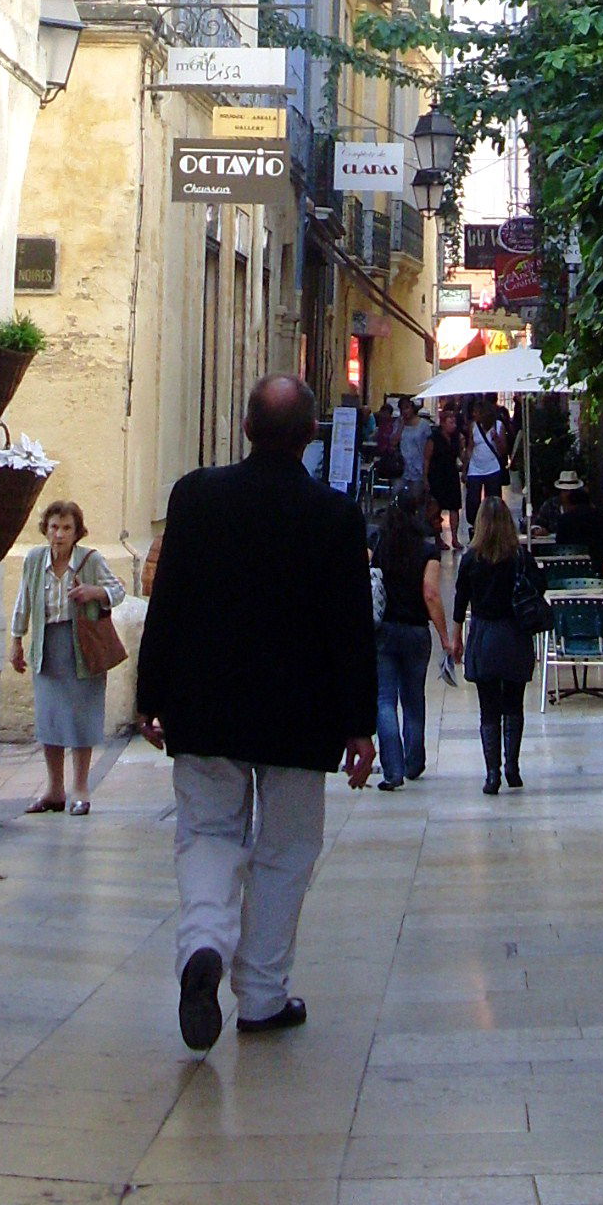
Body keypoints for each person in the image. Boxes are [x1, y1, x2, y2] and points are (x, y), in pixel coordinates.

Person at [137, 374, 378, 1051]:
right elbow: (349, 628)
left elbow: (169, 602)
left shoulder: (195, 498)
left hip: (205, 706)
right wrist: (359, 723)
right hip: (300, 719)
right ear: (310, 436)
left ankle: (203, 945)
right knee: (287, 851)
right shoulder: (333, 517)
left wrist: (149, 695)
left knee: (208, 834)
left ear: (245, 430)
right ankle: (264, 995)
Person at [9, 498, 127, 814]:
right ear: (46, 530)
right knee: (50, 719)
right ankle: (54, 790)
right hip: (47, 645)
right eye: (54, 527)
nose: (59, 534)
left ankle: (81, 788)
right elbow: (24, 601)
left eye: (66, 528)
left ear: (77, 532)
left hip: (82, 647)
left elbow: (118, 591)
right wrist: (16, 640)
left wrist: (93, 592)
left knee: (80, 718)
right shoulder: (34, 560)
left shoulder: (90, 560)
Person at [449, 492, 535, 795]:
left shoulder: (472, 559)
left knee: (488, 708)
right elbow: (541, 586)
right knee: (514, 703)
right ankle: (513, 767)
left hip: (484, 636)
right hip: (515, 636)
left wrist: (455, 638)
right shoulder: (521, 557)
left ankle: (492, 774)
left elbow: (460, 600)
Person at [371, 489, 451, 790]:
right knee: (414, 698)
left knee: (384, 700)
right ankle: (414, 761)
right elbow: (430, 594)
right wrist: (445, 637)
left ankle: (392, 770)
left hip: (384, 630)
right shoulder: (427, 551)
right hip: (416, 632)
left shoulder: (379, 546)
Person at [553, 471, 603, 579]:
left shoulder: (565, 520)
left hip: (570, 570)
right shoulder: (602, 516)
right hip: (598, 569)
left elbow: (560, 544)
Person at [464, 398, 506, 529]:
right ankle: (475, 524)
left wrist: (497, 439)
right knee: (472, 500)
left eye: (476, 412)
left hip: (492, 468)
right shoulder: (473, 426)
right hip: (475, 468)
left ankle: (492, 524)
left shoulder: (498, 426)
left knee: (493, 499)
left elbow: (504, 450)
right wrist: (465, 468)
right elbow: (470, 447)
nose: (474, 414)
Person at [427, 406, 464, 550]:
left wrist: (464, 447)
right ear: (443, 423)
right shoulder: (434, 438)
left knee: (454, 507)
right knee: (436, 509)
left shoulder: (456, 438)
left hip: (451, 474)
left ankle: (454, 538)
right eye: (450, 422)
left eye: (454, 422)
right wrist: (425, 479)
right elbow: (427, 459)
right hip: (437, 474)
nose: (453, 425)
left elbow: (461, 456)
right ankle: (438, 538)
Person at [398, 397, 434, 497]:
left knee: (416, 497)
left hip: (418, 467)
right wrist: (401, 426)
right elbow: (393, 441)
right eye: (402, 409)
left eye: (407, 407)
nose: (405, 411)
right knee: (398, 495)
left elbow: (429, 445)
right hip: (402, 467)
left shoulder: (423, 425)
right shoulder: (399, 423)